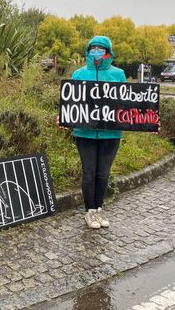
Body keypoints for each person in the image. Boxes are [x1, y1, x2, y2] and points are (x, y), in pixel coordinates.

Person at [71, 36, 126, 229]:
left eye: (101, 49)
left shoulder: (118, 74)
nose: (97, 52)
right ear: (88, 51)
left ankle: (99, 208)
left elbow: (127, 104)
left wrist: (146, 121)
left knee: (103, 174)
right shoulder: (78, 74)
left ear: (108, 52)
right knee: (88, 172)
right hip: (84, 133)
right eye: (93, 49)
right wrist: (63, 117)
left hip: (110, 134)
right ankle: (90, 211)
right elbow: (71, 102)